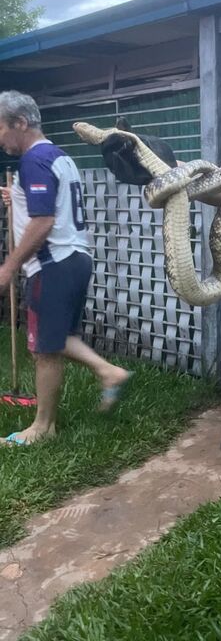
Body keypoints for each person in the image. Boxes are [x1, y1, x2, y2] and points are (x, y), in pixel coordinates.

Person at [0, 90, 131, 446]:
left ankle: (43, 428)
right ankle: (109, 371)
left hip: (52, 263)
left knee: (45, 348)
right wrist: (18, 198)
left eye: (0, 128)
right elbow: (45, 205)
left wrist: (9, 267)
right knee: (56, 340)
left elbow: (43, 221)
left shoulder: (33, 161)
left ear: (20, 123)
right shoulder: (58, 156)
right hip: (75, 259)